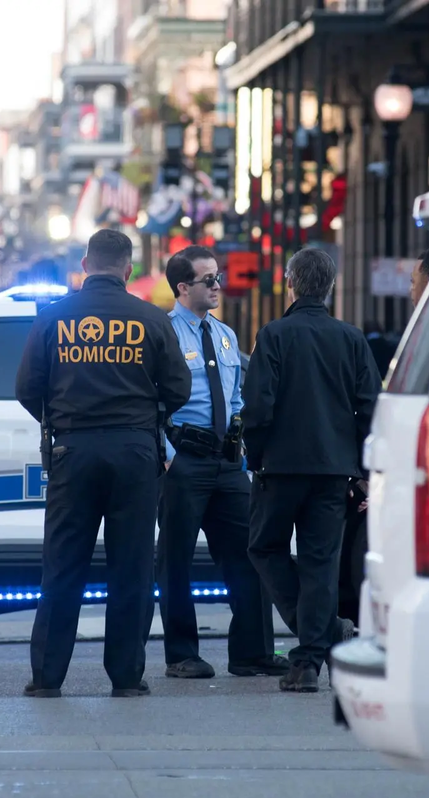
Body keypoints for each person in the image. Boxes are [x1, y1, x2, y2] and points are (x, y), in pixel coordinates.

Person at [15, 229, 192, 699]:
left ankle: (48, 678)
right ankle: (127, 678)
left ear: (86, 264)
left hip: (72, 452)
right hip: (135, 453)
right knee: (132, 568)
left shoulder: (53, 318)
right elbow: (179, 389)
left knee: (63, 566)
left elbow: (26, 388)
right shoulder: (151, 319)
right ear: (128, 268)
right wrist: (146, 416)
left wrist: (59, 418)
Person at [243, 247, 381, 693]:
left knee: (265, 547)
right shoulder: (352, 338)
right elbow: (370, 407)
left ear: (290, 283)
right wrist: (362, 468)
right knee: (322, 561)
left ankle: (312, 633)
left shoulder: (275, 335)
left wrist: (255, 456)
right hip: (334, 470)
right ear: (331, 287)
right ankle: (308, 658)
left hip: (280, 467)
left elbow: (258, 407)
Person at [152, 246, 289, 681]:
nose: (217, 286)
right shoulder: (166, 333)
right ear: (183, 287)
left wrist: (241, 446)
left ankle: (252, 652)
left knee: (251, 554)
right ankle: (181, 654)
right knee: (175, 561)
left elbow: (234, 397)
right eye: (208, 280)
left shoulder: (226, 335)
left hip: (226, 463)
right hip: (184, 460)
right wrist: (168, 455)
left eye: (218, 277)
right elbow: (151, 402)